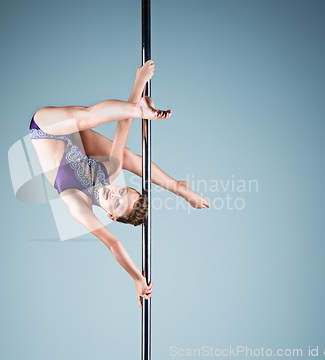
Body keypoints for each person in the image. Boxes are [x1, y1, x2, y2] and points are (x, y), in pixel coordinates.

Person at [30, 60, 210, 307]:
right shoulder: (108, 174)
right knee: (122, 154)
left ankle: (140, 111)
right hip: (75, 131)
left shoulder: (77, 203)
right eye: (121, 191)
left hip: (45, 128)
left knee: (98, 130)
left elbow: (113, 244)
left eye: (115, 202)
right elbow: (123, 125)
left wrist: (138, 278)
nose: (112, 193)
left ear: (110, 216)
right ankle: (179, 187)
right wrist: (139, 82)